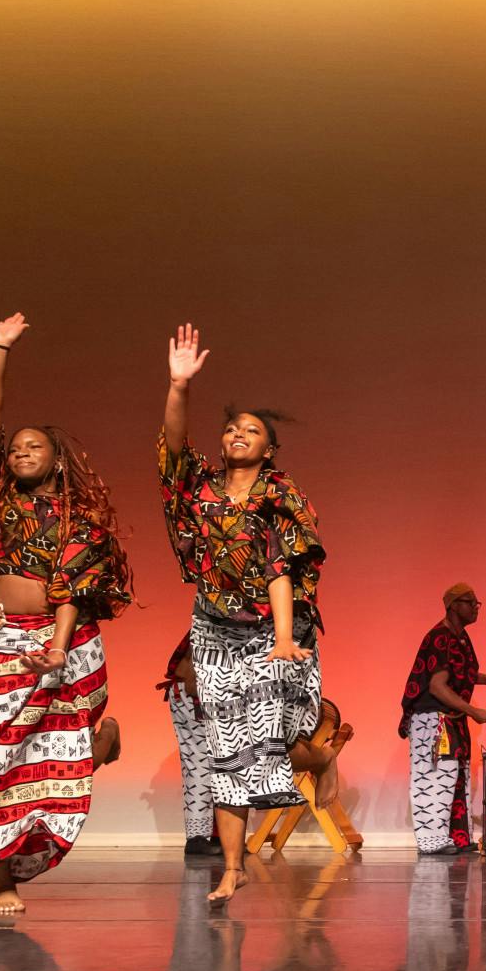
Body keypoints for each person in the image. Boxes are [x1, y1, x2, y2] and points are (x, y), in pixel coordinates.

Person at [0, 314, 132, 914]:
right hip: (4, 640)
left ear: (58, 459)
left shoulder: (80, 523)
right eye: (15, 448)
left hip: (68, 642)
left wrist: (61, 649)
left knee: (56, 755)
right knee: (3, 750)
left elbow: (70, 590)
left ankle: (91, 750)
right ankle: (2, 880)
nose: (18, 452)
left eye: (32, 446)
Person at [157, 324, 329, 905]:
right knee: (227, 745)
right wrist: (179, 386)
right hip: (215, 628)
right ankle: (233, 867)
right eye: (231, 427)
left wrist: (282, 638)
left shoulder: (283, 495)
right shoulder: (199, 489)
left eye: (251, 430)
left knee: (277, 738)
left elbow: (282, 569)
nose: (237, 434)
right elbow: (173, 448)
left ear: (269, 448)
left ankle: (321, 756)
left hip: (281, 629)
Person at [398, 584, 486, 854]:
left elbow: (460, 673)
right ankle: (432, 841)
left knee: (456, 776)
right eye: (470, 602)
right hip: (432, 720)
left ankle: (457, 838)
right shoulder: (439, 637)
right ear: (453, 605)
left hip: (450, 718)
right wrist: (474, 711)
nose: (476, 607)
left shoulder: (458, 637)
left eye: (477, 602)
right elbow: (438, 686)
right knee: (435, 777)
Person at [156, 630, 219, 859]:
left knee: (222, 762)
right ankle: (198, 837)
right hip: (195, 691)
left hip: (203, 690)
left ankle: (216, 834)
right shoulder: (226, 614)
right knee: (200, 760)